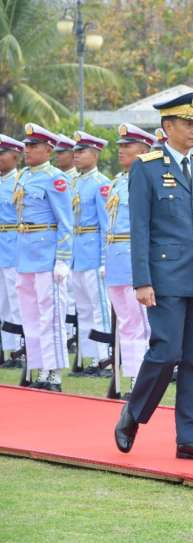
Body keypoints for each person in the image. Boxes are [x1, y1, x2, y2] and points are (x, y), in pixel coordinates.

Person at [114, 91, 193, 461]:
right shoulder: (147, 167)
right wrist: (142, 281)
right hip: (165, 276)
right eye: (187, 123)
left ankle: (190, 437)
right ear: (167, 126)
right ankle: (134, 413)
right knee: (166, 350)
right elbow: (140, 228)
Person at [14, 124, 73, 391]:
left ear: (48, 150)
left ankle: (54, 373)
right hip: (25, 253)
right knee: (30, 315)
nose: (27, 150)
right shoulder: (24, 176)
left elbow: (66, 222)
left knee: (51, 315)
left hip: (47, 254)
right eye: (26, 145)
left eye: (33, 146)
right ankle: (38, 368)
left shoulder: (55, 179)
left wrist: (62, 259)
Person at [98, 124, 156, 392]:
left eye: (127, 146)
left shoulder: (149, 179)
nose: (121, 150)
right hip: (115, 259)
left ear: (143, 149)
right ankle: (132, 377)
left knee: (142, 324)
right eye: (120, 146)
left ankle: (141, 379)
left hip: (135, 259)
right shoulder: (117, 181)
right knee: (126, 324)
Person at [70, 131, 112, 373]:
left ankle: (104, 358)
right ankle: (89, 358)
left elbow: (106, 224)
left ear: (95, 155)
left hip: (94, 252)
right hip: (77, 253)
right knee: (83, 308)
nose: (76, 156)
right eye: (75, 151)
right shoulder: (74, 182)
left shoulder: (101, 184)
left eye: (81, 151)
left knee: (100, 308)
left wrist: (105, 259)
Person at [0, 135, 24, 366]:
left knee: (16, 300)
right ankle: (7, 349)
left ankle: (18, 350)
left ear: (15, 156)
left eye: (2, 154)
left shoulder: (20, 182)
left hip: (15, 245)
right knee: (3, 301)